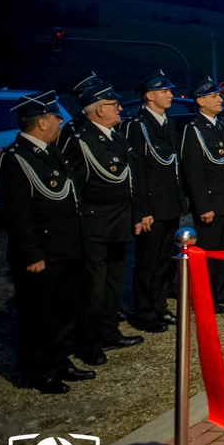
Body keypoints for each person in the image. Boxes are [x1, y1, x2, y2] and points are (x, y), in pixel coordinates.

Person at [0, 91, 93, 394]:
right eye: (55, 118)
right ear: (41, 122)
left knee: (63, 310)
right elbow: (16, 215)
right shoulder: (15, 158)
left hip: (66, 248)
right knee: (39, 314)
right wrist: (32, 254)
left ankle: (60, 360)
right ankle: (39, 371)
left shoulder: (50, 151)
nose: (60, 123)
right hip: (43, 253)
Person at [60, 73, 143, 367]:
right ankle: (88, 342)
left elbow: (129, 177)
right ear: (97, 109)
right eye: (112, 104)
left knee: (112, 282)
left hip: (118, 221)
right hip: (94, 224)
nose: (119, 108)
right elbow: (74, 188)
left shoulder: (113, 134)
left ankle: (109, 331)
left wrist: (136, 214)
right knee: (93, 288)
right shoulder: (80, 140)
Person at [121, 70, 188, 332]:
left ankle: (159, 306)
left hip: (169, 203)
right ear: (149, 96)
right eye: (164, 91)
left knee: (164, 261)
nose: (170, 95)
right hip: (152, 206)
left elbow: (172, 164)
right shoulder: (137, 126)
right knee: (147, 262)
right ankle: (145, 312)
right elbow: (136, 173)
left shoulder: (167, 123)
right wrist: (142, 210)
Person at [180, 75, 224, 312]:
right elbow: (194, 173)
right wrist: (203, 205)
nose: (220, 99)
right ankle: (205, 297)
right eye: (213, 96)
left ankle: (220, 291)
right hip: (212, 202)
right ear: (200, 101)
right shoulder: (194, 129)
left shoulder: (221, 125)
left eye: (219, 96)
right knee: (209, 252)